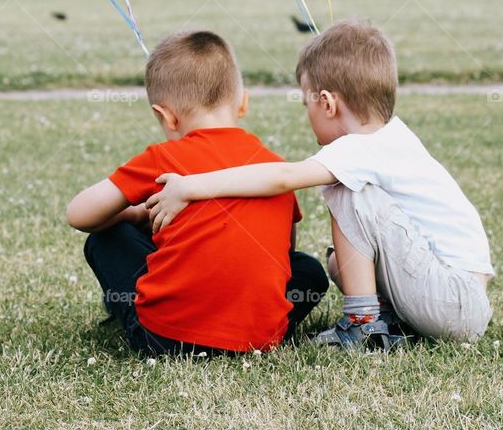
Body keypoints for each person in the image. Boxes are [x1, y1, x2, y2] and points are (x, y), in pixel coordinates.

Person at [146, 21, 494, 352]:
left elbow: (281, 178)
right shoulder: (390, 137)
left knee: (348, 191)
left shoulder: (359, 149)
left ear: (327, 103)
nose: (307, 112)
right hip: (454, 300)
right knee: (336, 264)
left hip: (452, 301)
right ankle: (384, 318)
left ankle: (362, 323)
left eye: (306, 103)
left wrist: (192, 186)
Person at [66, 29, 328, 356]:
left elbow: (78, 215)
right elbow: (284, 253)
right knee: (308, 270)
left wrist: (135, 214)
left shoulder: (161, 160)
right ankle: (247, 329)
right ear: (243, 102)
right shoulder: (271, 168)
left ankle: (139, 314)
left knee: (106, 237)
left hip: (164, 340)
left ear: (165, 116)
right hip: (257, 341)